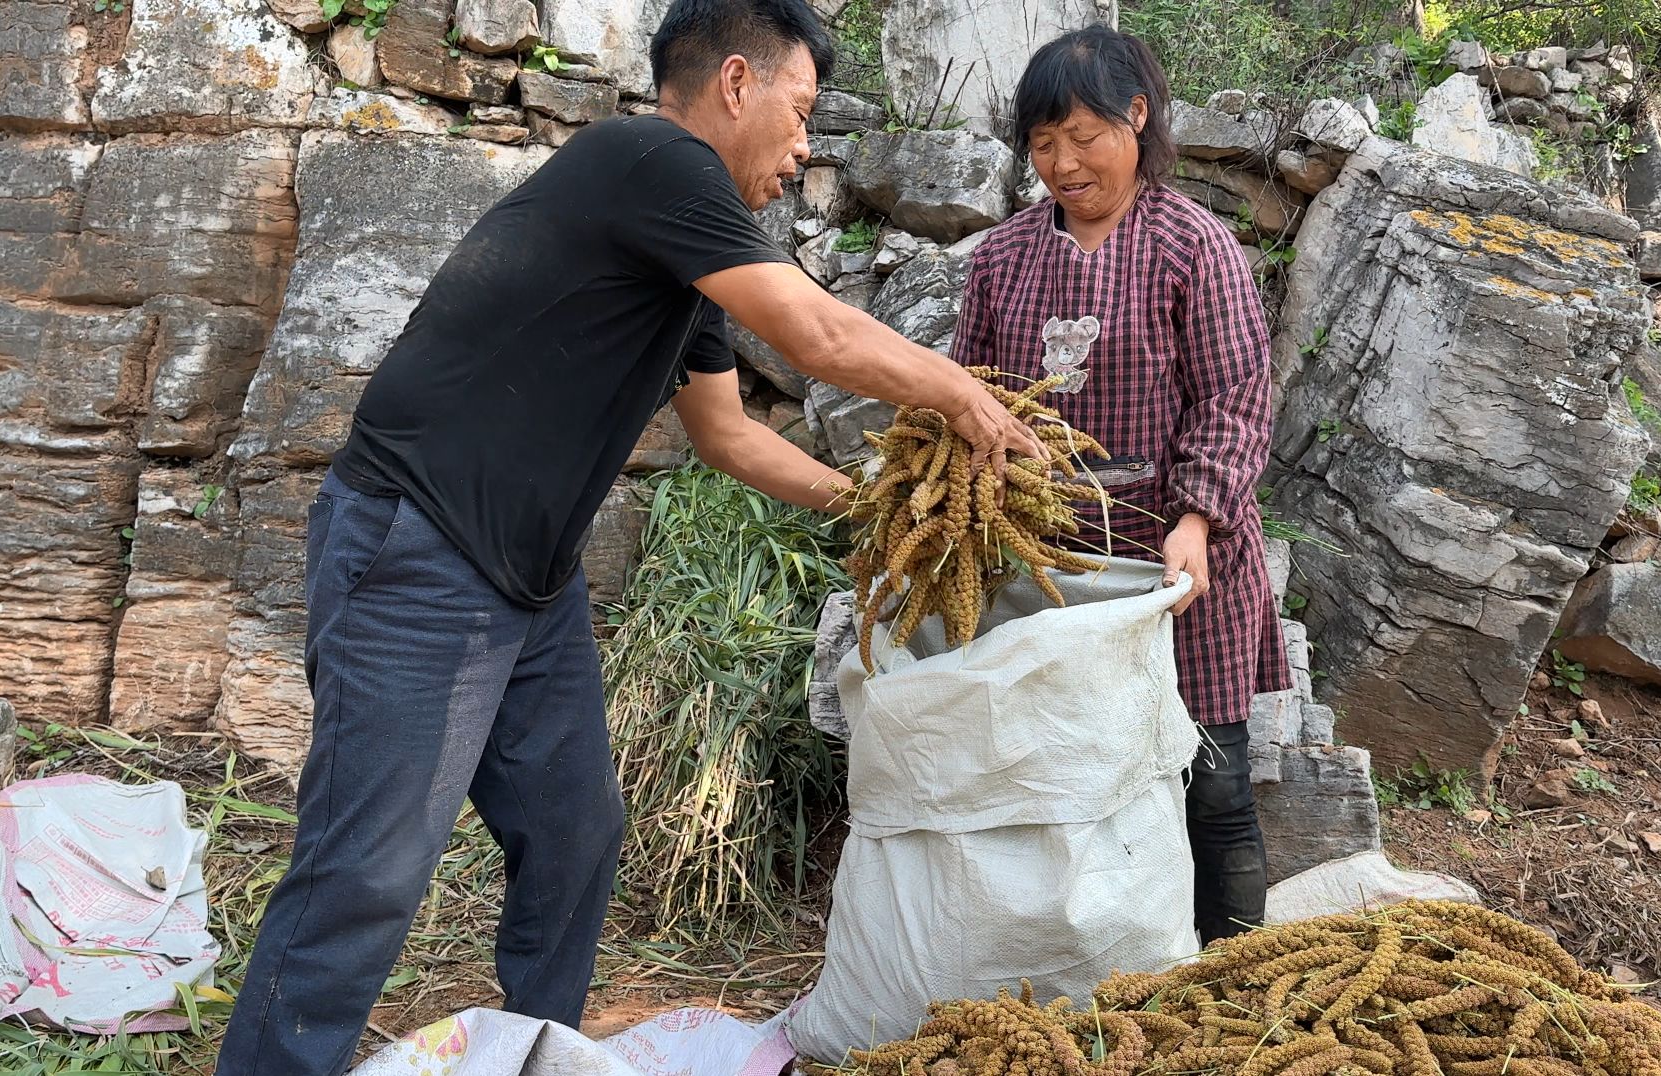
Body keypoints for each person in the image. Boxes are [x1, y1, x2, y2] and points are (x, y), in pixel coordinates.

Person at [213, 0, 1046, 1068]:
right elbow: (819, 331)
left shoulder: (677, 248)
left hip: (526, 581)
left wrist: (883, 511)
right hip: (419, 550)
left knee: (572, 833)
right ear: (735, 84)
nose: (801, 150)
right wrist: (967, 401)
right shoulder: (650, 159)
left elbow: (729, 435)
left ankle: (534, 1049)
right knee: (365, 868)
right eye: (798, 114)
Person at [950, 25, 1292, 945]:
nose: (1063, 163)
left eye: (1084, 137)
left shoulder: (1196, 248)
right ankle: (1111, 965)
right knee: (1077, 776)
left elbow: (1237, 396)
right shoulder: (1002, 259)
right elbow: (966, 392)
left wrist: (1196, 518)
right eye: (1043, 143)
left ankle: (1232, 965)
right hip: (1052, 568)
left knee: (1213, 781)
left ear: (1137, 118)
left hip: (1186, 567)